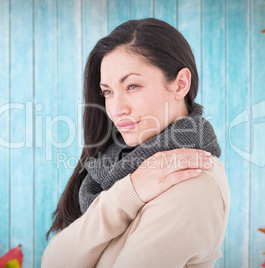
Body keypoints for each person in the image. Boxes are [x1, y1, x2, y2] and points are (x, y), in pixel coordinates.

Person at [41, 17, 230, 268]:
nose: (116, 109)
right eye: (107, 92)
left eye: (132, 86)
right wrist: (128, 193)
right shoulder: (118, 169)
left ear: (180, 84)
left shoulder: (191, 179)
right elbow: (53, 262)